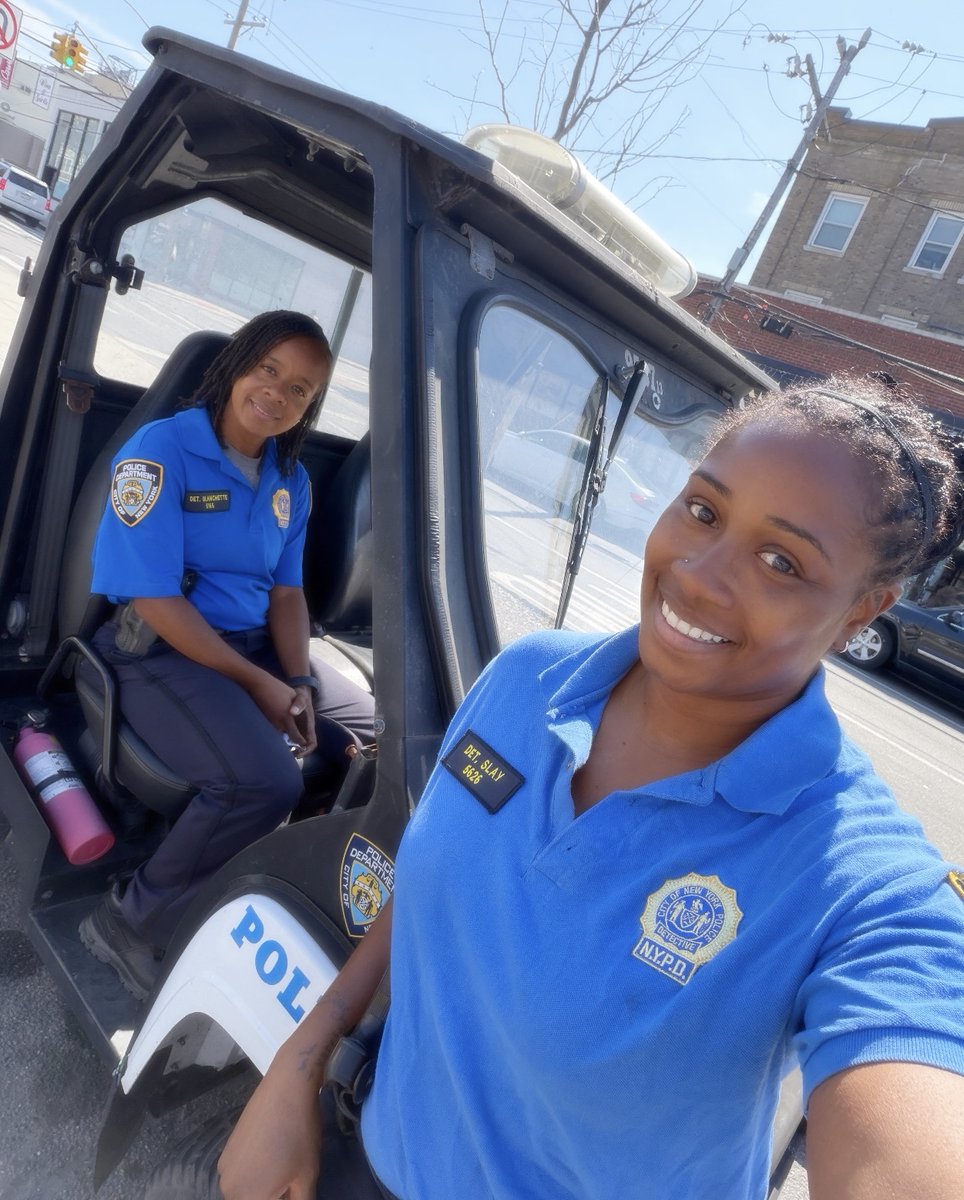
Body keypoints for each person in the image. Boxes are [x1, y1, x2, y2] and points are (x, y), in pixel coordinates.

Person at [217, 380, 964, 1200]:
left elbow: (909, 1124)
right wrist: (298, 1065)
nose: (700, 576)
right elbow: (437, 874)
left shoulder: (865, 887)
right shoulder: (528, 678)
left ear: (865, 611)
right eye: (705, 512)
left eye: (781, 561)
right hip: (375, 1160)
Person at [79, 310, 375, 999]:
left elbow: (288, 594)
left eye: (301, 389)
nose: (278, 393)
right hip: (158, 650)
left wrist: (297, 678)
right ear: (237, 364)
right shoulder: (162, 453)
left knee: (372, 737)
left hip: (255, 650)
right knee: (266, 780)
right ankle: (136, 921)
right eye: (268, 370)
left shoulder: (289, 482)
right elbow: (153, 597)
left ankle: (270, 886)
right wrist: (258, 684)